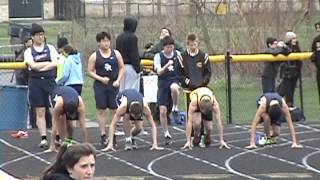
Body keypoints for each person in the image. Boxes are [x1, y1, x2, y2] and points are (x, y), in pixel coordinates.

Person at [87, 31, 125, 147]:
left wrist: (118, 80)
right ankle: (103, 135)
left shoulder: (116, 54)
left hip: (113, 84)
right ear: (99, 43)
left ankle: (112, 135)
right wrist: (100, 78)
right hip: (100, 85)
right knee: (101, 110)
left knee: (114, 110)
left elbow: (122, 68)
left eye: (108, 41)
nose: (106, 43)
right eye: (103, 41)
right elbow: (89, 71)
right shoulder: (94, 56)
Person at [24, 23, 58, 148]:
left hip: (49, 81)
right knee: (40, 110)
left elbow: (55, 63)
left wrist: (42, 66)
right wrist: (46, 64)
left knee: (54, 109)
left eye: (42, 35)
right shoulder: (29, 51)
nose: (40, 37)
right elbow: (32, 66)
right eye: (38, 35)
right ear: (32, 37)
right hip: (36, 82)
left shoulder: (50, 48)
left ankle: (57, 135)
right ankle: (43, 137)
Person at [176, 33, 212, 143]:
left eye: (195, 44)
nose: (193, 47)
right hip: (189, 91)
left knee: (205, 117)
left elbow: (208, 73)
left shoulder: (203, 56)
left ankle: (204, 135)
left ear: (198, 44)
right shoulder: (182, 57)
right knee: (192, 116)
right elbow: (179, 74)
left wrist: (203, 82)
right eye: (191, 45)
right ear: (187, 45)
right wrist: (188, 82)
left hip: (202, 91)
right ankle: (192, 136)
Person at [154, 36, 181, 145]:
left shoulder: (177, 54)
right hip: (163, 83)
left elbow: (183, 68)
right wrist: (166, 65)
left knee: (174, 88)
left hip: (174, 80)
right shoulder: (158, 56)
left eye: (171, 47)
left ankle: (175, 106)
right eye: (167, 47)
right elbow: (159, 72)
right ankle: (166, 133)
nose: (170, 49)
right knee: (163, 111)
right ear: (163, 47)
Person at [46, 86, 88, 152]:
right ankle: (62, 141)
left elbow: (83, 125)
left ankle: (69, 139)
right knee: (59, 122)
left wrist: (86, 145)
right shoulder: (58, 105)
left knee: (71, 123)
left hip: (71, 94)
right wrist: (52, 146)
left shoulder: (80, 103)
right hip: (56, 95)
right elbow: (54, 125)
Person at [277, 31, 302, 107]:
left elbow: (299, 61)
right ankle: (278, 106)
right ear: (289, 39)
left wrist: (298, 71)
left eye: (295, 38)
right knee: (285, 93)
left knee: (291, 93)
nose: (295, 40)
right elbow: (287, 53)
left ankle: (290, 108)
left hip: (294, 74)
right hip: (287, 74)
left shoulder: (296, 47)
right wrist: (283, 46)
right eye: (293, 38)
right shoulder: (284, 47)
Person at [116, 16, 141, 91]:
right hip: (131, 67)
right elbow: (134, 54)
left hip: (120, 67)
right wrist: (138, 68)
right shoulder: (133, 37)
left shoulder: (119, 37)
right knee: (131, 89)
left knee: (121, 89)